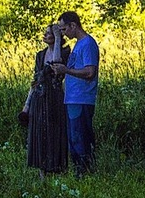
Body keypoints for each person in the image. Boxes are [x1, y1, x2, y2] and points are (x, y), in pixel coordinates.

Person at [50, 11, 98, 176]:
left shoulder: (88, 44)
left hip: (82, 98)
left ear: (73, 25)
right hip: (72, 98)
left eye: (64, 29)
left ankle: (85, 171)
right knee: (74, 137)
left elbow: (90, 72)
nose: (64, 33)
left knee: (80, 136)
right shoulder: (78, 45)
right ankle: (79, 171)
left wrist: (66, 70)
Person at [19, 23, 69, 179]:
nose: (45, 35)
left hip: (55, 98)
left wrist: (58, 37)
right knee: (39, 133)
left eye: (49, 33)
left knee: (55, 132)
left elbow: (56, 64)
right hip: (39, 98)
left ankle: (57, 170)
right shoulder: (40, 55)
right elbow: (35, 80)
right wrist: (26, 105)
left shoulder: (65, 52)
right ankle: (42, 173)